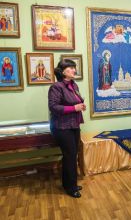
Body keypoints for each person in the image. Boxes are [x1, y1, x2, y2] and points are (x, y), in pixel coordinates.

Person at [48, 59, 86, 198]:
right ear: (63, 71)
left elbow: (76, 102)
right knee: (70, 156)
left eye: (74, 68)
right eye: (71, 68)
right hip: (62, 127)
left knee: (72, 155)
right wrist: (74, 108)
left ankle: (70, 183)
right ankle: (70, 188)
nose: (74, 70)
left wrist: (80, 106)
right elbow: (53, 107)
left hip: (74, 125)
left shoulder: (73, 85)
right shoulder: (56, 87)